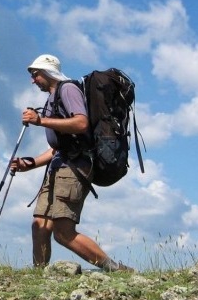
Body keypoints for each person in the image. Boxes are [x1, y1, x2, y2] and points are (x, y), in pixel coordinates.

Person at [10, 54, 133, 272]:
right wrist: (29, 164)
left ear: (48, 72)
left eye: (35, 74)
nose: (33, 80)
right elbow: (58, 148)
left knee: (63, 232)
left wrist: (40, 121)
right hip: (61, 164)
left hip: (74, 167)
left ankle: (115, 269)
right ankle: (39, 276)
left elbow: (81, 123)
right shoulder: (53, 97)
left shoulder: (67, 90)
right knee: (40, 224)